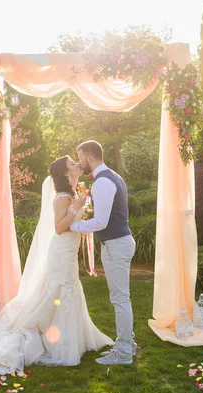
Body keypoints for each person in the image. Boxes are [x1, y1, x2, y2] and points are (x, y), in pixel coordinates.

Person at [0, 155, 113, 374]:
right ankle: (55, 338)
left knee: (69, 288)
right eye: (72, 164)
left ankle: (73, 337)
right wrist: (76, 208)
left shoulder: (72, 194)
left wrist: (81, 207)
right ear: (65, 173)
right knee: (62, 289)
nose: (77, 165)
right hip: (61, 250)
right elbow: (59, 227)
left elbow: (72, 223)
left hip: (68, 250)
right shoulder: (63, 197)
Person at [71, 140, 137, 365]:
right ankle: (128, 345)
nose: (79, 163)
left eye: (80, 158)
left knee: (120, 299)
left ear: (89, 158)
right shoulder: (113, 176)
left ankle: (125, 352)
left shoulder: (102, 182)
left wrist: (74, 227)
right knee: (122, 298)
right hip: (118, 242)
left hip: (116, 244)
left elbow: (100, 221)